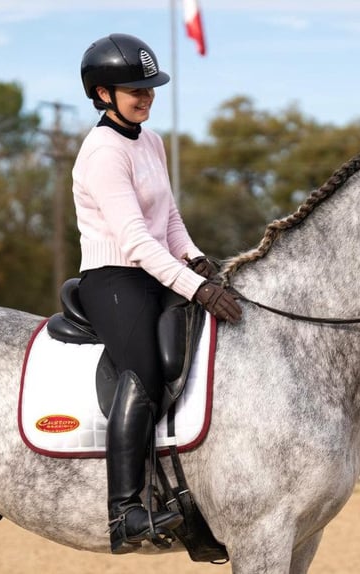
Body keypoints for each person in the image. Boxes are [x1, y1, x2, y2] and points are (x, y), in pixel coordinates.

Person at [73, 33, 242, 554]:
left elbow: (166, 218)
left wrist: (195, 259)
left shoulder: (151, 140)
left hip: (158, 266)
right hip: (114, 276)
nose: (145, 96)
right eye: (134, 89)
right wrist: (196, 287)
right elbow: (134, 237)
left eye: (149, 87)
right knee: (144, 369)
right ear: (103, 94)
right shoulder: (100, 151)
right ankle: (125, 509)